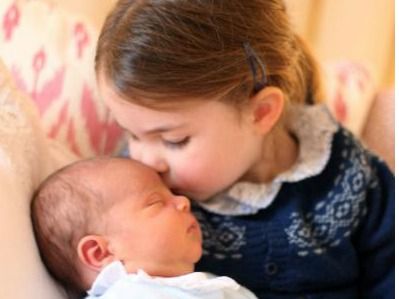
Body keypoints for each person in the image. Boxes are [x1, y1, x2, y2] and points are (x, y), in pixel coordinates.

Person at [94, 0, 394, 298]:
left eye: (174, 140)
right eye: (131, 135)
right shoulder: (139, 196)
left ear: (261, 112)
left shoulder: (351, 176)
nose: (145, 160)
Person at [30, 157, 258, 299]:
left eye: (172, 194)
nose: (183, 202)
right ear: (101, 252)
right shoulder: (127, 294)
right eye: (156, 202)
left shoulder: (208, 283)